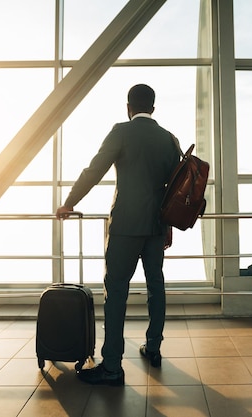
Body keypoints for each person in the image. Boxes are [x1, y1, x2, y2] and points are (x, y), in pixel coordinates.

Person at [56, 84, 181, 386]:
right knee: (156, 287)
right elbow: (173, 190)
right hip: (156, 228)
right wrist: (167, 227)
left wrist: (70, 201)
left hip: (126, 226)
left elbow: (94, 169)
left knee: (116, 293)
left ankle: (112, 365)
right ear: (153, 107)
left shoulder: (121, 131)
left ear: (128, 107)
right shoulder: (170, 140)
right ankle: (153, 347)